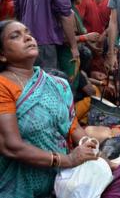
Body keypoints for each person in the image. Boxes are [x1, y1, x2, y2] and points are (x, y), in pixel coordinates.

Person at [0, 20, 97, 197]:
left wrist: (95, 153)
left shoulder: (56, 83)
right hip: (16, 186)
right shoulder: (3, 86)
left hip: (58, 183)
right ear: (2, 55)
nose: (28, 38)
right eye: (16, 36)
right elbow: (11, 145)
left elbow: (72, 127)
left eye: (28, 32)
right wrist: (67, 160)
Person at [14, 0, 79, 69]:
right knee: (46, 79)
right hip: (45, 42)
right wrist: (74, 46)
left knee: (28, 80)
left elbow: (17, 10)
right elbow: (65, 14)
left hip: (24, 40)